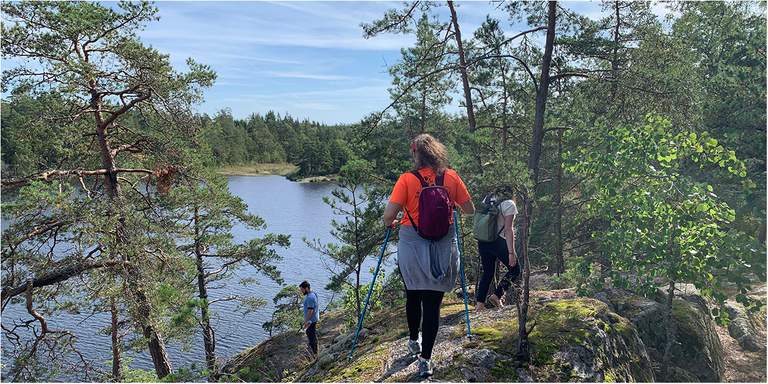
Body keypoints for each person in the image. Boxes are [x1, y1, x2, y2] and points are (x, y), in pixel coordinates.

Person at [382, 133, 475, 378]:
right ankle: (426, 360)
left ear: (416, 154)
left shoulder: (406, 180)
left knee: (413, 296)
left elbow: (388, 217)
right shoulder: (451, 176)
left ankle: (414, 340)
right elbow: (469, 210)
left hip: (412, 245)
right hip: (443, 246)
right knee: (433, 306)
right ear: (437, 152)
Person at [475, 193, 521, 312]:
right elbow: (508, 229)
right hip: (498, 241)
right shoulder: (509, 204)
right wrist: (511, 253)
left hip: (483, 240)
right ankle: (496, 296)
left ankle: (479, 305)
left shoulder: (488, 198)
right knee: (515, 269)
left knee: (488, 273)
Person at [300, 280, 319, 356]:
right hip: (313, 318)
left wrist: (306, 321)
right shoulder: (313, 294)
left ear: (307, 288)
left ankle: (314, 353)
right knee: (311, 333)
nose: (301, 291)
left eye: (302, 290)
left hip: (311, 319)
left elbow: (310, 311)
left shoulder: (310, 297)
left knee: (310, 333)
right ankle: (313, 349)